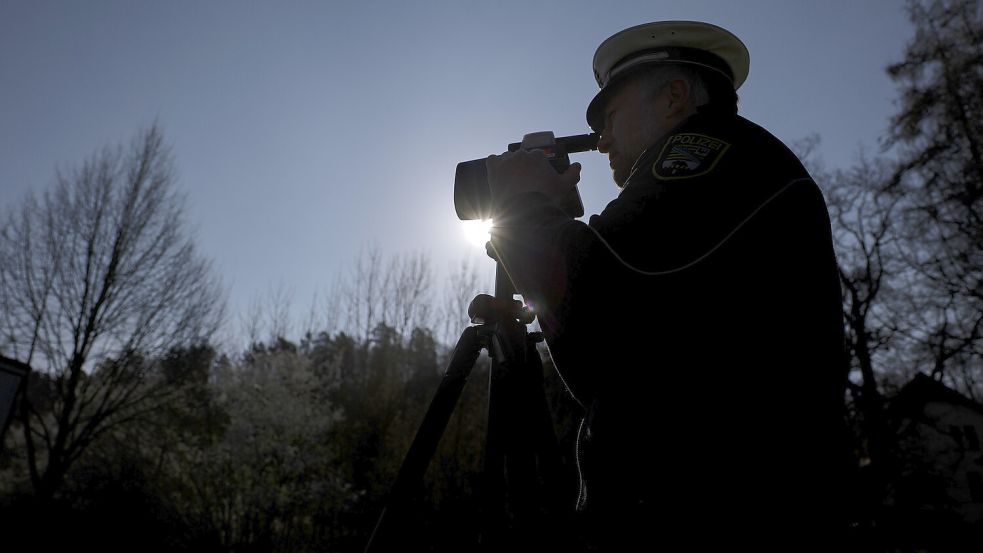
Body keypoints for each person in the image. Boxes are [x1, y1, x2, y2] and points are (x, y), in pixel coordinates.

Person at [486, 21, 855, 551]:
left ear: (674, 98)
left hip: (709, 514)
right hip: (735, 506)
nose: (601, 139)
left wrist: (524, 208)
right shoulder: (734, 169)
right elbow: (629, 352)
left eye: (609, 117)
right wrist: (554, 223)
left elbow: (602, 294)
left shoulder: (704, 149)